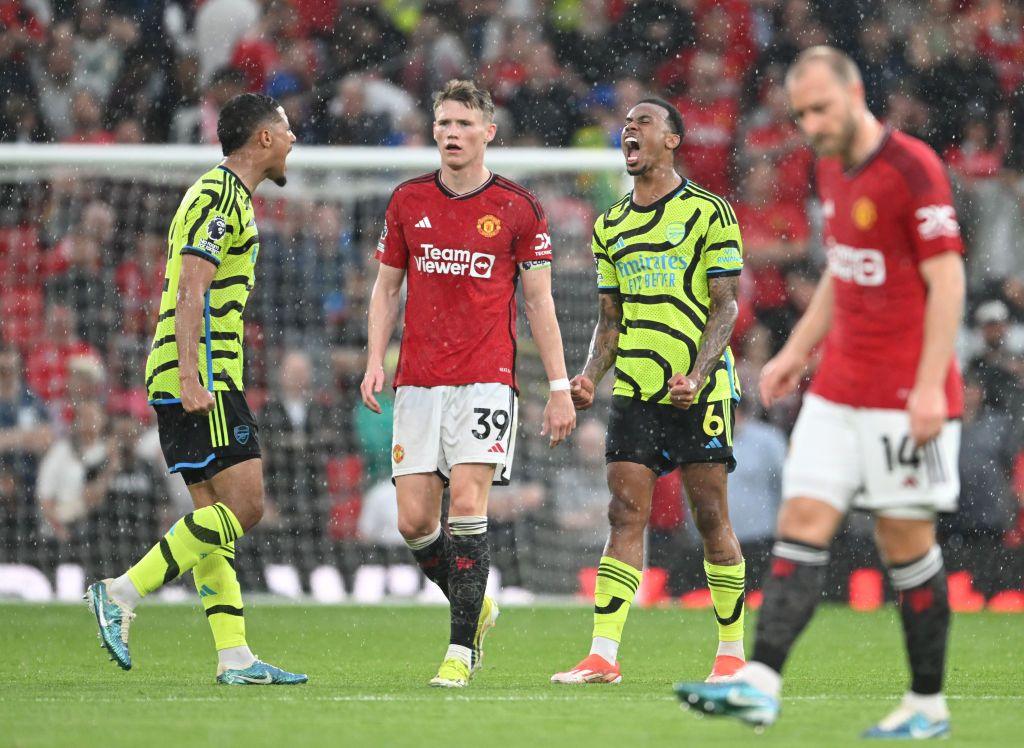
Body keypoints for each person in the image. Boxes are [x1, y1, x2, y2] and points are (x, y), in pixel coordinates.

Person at [675, 46, 965, 740]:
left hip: (904, 394)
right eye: (800, 112)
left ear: (856, 91)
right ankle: (762, 684)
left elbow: (948, 278)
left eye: (820, 108)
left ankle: (927, 702)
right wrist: (796, 353)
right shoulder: (829, 167)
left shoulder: (912, 168)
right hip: (839, 388)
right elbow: (842, 269)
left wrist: (929, 388)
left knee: (905, 545)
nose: (809, 123)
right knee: (802, 522)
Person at [84, 92, 307, 686]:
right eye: (286, 131)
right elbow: (191, 288)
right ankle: (120, 591)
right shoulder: (219, 197)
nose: (293, 141)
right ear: (262, 139)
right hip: (203, 373)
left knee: (211, 515)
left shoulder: (231, 197)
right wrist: (191, 375)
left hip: (197, 371)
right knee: (247, 506)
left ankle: (234, 658)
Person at [360, 79, 576, 688]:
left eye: (462, 124)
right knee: (412, 522)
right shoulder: (407, 201)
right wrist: (376, 359)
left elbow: (539, 303)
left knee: (468, 506)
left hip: (486, 379)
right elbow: (385, 287)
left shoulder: (518, 207)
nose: (451, 134)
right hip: (419, 380)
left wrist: (559, 385)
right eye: (443, 123)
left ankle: (459, 651)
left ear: (488, 133)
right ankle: (474, 603)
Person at [551, 97, 747, 686]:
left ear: (673, 141)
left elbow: (726, 305)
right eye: (626, 124)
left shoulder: (710, 213)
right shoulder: (609, 224)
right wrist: (590, 374)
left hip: (700, 390)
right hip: (636, 388)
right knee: (623, 512)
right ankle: (603, 656)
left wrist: (700, 372)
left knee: (710, 517)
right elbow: (609, 320)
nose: (629, 130)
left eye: (644, 123)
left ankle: (732, 654)